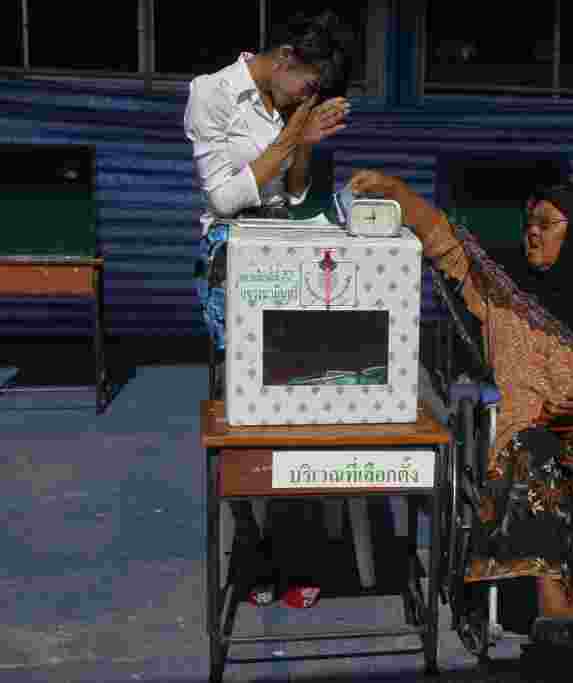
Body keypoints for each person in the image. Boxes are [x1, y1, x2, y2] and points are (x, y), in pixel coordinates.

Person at [349, 170, 573, 654]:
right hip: (531, 423)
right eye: (529, 222)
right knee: (533, 453)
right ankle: (554, 603)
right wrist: (398, 193)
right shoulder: (502, 288)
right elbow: (444, 241)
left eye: (547, 224)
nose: (532, 231)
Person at [183, 9, 357, 605]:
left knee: (304, 397)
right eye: (310, 83)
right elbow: (225, 197)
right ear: (284, 59)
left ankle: (297, 545)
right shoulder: (211, 95)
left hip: (290, 248)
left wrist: (303, 144)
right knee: (249, 409)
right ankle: (253, 548)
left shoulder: (292, 104)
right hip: (236, 254)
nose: (313, 95)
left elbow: (301, 194)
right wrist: (289, 139)